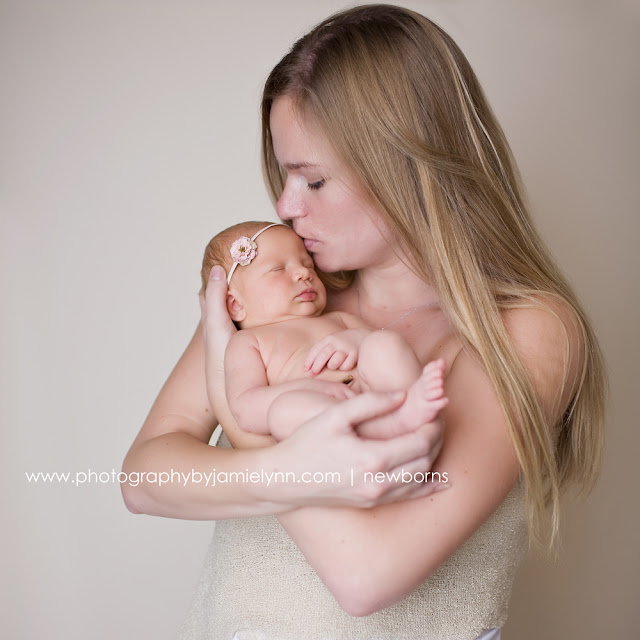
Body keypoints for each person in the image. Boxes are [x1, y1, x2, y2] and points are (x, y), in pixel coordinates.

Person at [122, 5, 607, 640]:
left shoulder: (528, 330)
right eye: (285, 173)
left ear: (410, 167)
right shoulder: (284, 299)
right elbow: (143, 478)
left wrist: (235, 394)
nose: (284, 207)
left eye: (314, 179)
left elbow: (366, 575)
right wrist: (280, 461)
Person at [201, 220, 449, 441]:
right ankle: (384, 428)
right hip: (324, 428)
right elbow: (245, 409)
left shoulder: (340, 320)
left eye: (309, 266)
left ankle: (408, 410)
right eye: (278, 269)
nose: (303, 274)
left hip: (374, 397)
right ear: (236, 305)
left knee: (384, 343)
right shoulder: (248, 342)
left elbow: (379, 345)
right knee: (282, 412)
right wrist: (304, 390)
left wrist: (359, 339)